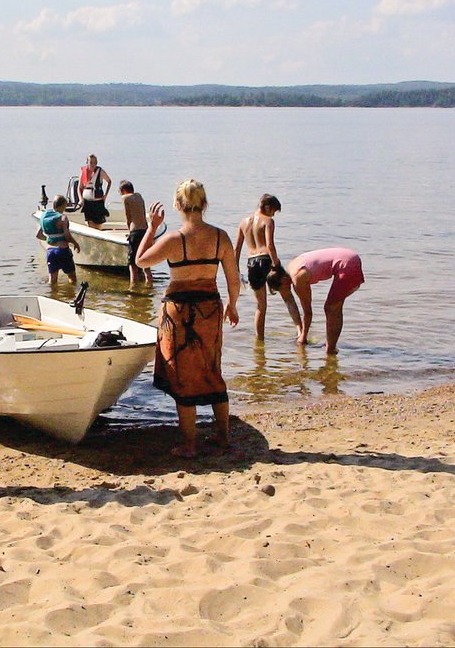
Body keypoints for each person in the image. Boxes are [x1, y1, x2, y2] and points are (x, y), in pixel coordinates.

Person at [135, 179, 241, 458]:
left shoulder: (174, 239)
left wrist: (152, 228)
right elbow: (233, 278)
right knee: (211, 369)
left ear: (178, 205)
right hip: (209, 309)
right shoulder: (220, 237)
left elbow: (141, 261)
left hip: (179, 311)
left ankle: (189, 445)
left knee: (182, 377)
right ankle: (223, 437)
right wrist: (233, 306)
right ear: (204, 204)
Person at [265, 247, 364, 355]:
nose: (284, 293)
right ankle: (331, 346)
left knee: (331, 308)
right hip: (348, 256)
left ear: (284, 281)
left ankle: (330, 349)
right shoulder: (291, 266)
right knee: (334, 306)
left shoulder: (297, 278)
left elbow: (308, 312)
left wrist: (303, 337)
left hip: (346, 264)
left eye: (281, 290)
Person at [234, 194, 300, 340]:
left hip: (251, 263)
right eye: (274, 212)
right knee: (287, 296)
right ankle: (301, 331)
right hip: (266, 261)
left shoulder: (243, 222)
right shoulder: (268, 221)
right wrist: (277, 267)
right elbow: (270, 245)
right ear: (268, 207)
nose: (273, 215)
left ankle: (260, 341)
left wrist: (236, 269)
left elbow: (237, 248)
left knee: (260, 306)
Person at [35, 194, 81, 285]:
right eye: (65, 205)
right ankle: (71, 296)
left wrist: (50, 239)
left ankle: (53, 296)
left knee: (52, 281)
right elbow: (67, 235)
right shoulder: (63, 217)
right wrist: (75, 243)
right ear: (62, 205)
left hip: (50, 251)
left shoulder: (44, 216)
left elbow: (38, 235)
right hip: (63, 251)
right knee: (72, 279)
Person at [120, 180, 153, 285]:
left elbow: (128, 217)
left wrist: (130, 233)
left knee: (133, 264)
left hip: (135, 232)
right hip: (145, 230)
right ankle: (149, 285)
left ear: (123, 190)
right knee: (145, 262)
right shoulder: (139, 196)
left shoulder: (125, 198)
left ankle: (133, 288)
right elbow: (142, 213)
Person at [78, 154, 112, 229]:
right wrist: (81, 199)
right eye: (91, 162)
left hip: (98, 201)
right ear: (87, 162)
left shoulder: (100, 171)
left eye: (94, 162)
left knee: (97, 224)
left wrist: (105, 195)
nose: (93, 164)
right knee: (89, 223)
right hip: (87, 201)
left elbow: (109, 181)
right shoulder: (83, 172)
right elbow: (79, 187)